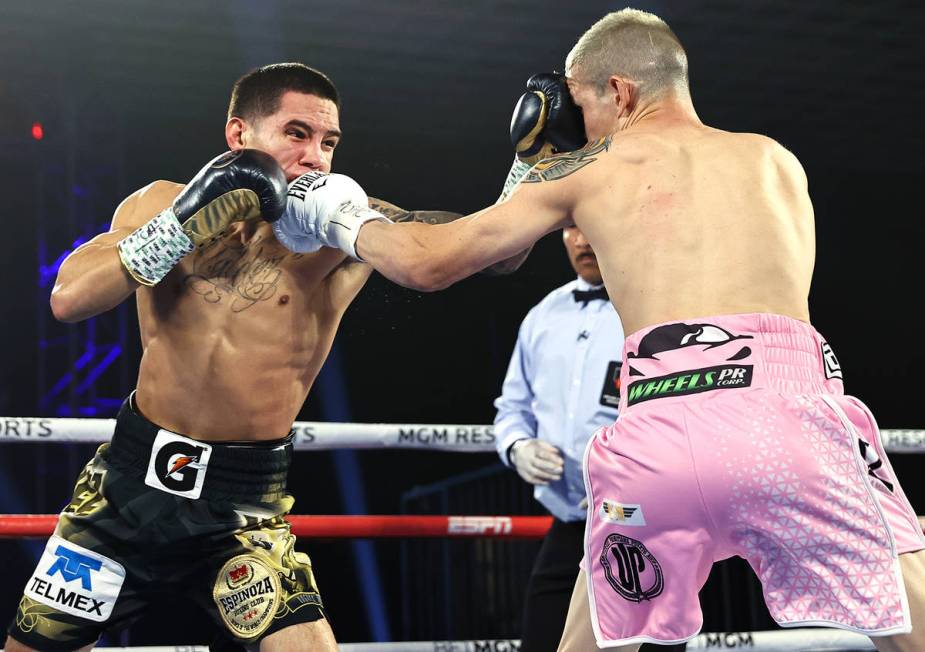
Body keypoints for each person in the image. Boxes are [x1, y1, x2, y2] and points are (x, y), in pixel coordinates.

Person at [271, 8, 925, 652]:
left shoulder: (589, 171)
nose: (579, 129)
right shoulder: (774, 162)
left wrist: (337, 214)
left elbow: (428, 262)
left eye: (582, 107)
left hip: (660, 438)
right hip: (791, 423)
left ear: (617, 91)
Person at [5, 62, 463, 652]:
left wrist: (532, 183)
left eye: (329, 142)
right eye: (297, 134)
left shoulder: (346, 229)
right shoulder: (161, 203)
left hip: (243, 506)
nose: (317, 158)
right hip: (124, 491)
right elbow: (68, 298)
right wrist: (175, 228)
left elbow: (463, 254)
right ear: (239, 134)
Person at [495, 225, 625, 651]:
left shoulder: (653, 308)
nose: (584, 240)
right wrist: (518, 447)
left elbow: (683, 412)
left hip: (641, 524)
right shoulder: (543, 315)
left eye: (593, 226)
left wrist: (630, 474)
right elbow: (512, 408)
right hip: (570, 525)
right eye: (572, 228)